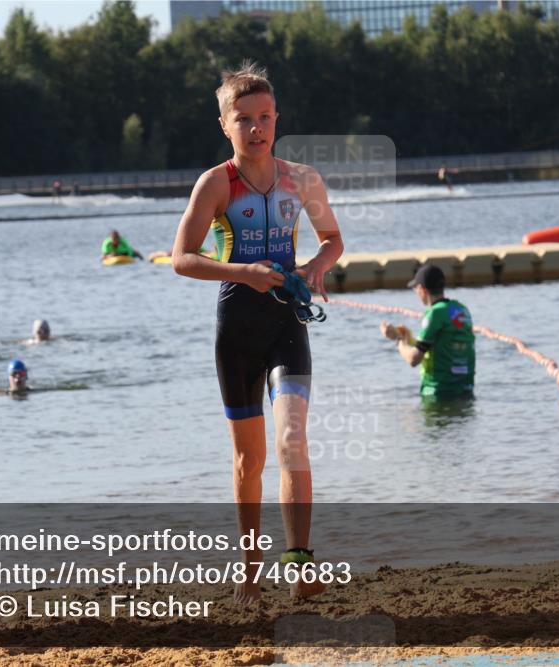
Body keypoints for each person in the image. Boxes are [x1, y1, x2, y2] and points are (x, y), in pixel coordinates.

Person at [171, 62, 343, 605]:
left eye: (264, 116)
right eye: (243, 118)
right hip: (237, 330)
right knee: (250, 461)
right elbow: (181, 259)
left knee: (293, 441)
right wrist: (242, 272)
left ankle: (300, 566)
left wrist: (316, 267)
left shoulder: (302, 180)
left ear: (277, 120)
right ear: (225, 124)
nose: (256, 128)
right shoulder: (216, 184)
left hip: (287, 324)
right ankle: (250, 570)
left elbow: (334, 239)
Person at [381, 264, 475, 401]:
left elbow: (413, 359)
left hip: (438, 394)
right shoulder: (461, 309)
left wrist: (399, 340)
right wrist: (406, 336)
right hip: (466, 391)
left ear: (422, 290)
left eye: (415, 289)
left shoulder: (434, 314)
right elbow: (437, 346)